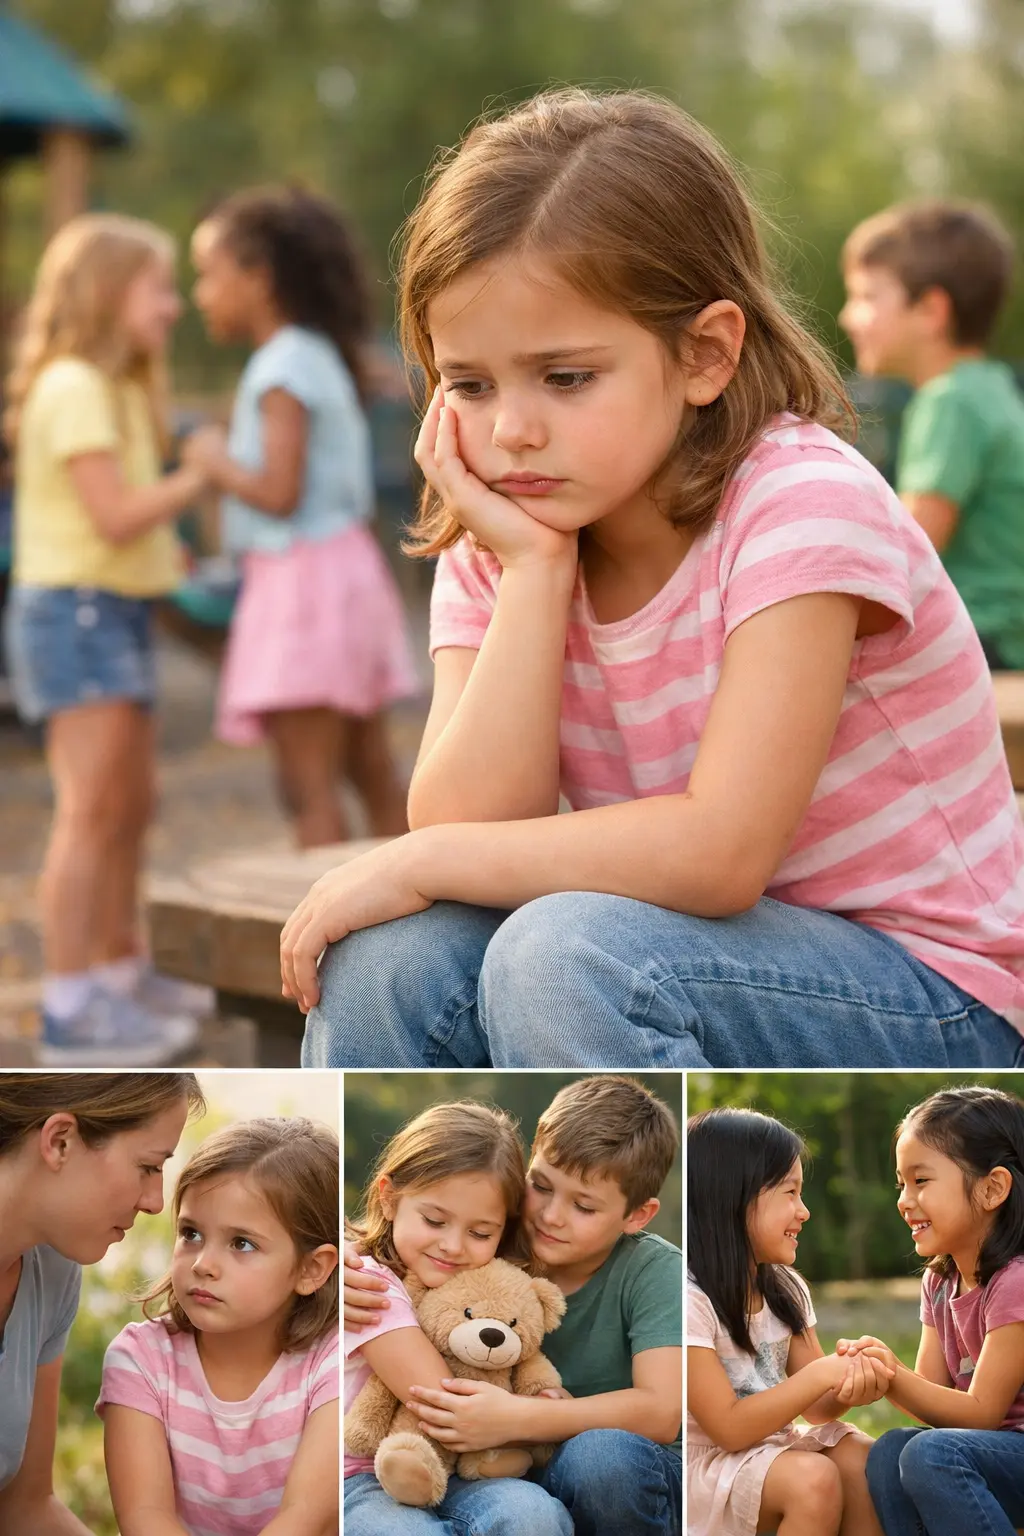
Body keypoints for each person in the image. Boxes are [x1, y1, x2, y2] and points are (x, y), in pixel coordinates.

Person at [281, 87, 1024, 1073]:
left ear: (705, 354)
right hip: (699, 952)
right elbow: (470, 826)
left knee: (565, 955)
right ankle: (396, 1215)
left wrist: (413, 856)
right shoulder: (508, 527)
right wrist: (539, 573)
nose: (511, 430)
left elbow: (720, 852)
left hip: (938, 994)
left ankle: (660, 1211)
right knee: (387, 959)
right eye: (469, 383)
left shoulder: (798, 504)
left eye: (567, 377)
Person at [3, 213, 217, 1066]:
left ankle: (119, 973)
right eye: (157, 288)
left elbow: (131, 529)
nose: (172, 306)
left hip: (114, 608)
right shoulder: (72, 388)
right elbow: (114, 513)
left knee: (131, 807)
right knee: (91, 813)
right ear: (105, 292)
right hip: (72, 615)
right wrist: (196, 478)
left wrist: (173, 549)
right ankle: (69, 1006)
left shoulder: (122, 388)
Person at [346, 1075, 683, 1535]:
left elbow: (663, 1412)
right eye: (541, 1186)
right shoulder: (485, 1237)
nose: (550, 1215)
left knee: (599, 1459)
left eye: (583, 1207)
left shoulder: (652, 1269)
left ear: (637, 1215)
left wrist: (521, 1419)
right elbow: (403, 1222)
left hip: (620, 1471)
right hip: (472, 1465)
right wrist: (337, 1258)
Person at [187, 185, 418, 848]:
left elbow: (278, 492)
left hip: (302, 587)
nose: (202, 294)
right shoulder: (317, 352)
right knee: (371, 769)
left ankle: (328, 940)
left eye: (210, 274)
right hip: (343, 570)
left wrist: (211, 458)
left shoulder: (280, 366)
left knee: (305, 784)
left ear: (259, 279)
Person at [99, 1115, 340, 1536]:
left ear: (311, 1269)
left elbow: (302, 1520)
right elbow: (145, 1518)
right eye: (191, 1233)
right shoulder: (140, 1360)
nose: (203, 1265)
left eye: (241, 1243)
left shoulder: (333, 1361)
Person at [343, 1098, 571, 1536]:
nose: (453, 1245)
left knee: (533, 1516)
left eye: (480, 1233)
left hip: (470, 1470)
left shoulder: (494, 1284)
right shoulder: (366, 1282)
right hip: (368, 1474)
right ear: (389, 1199)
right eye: (434, 1220)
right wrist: (539, 1420)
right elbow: (441, 1400)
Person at [0, 1071, 204, 1534]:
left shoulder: (51, 1270)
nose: (156, 1202)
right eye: (149, 1166)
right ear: (60, 1142)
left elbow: (23, 1509)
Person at [840, 201, 1024, 672]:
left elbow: (909, 552)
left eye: (865, 297)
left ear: (930, 311)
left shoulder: (951, 402)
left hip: (983, 638)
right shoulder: (988, 386)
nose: (847, 317)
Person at [687, 1107, 889, 1536]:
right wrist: (820, 1375)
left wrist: (850, 1377)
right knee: (813, 1481)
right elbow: (727, 1428)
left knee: (860, 1459)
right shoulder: (688, 1299)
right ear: (732, 1196)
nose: (804, 1211)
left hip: (771, 1448)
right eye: (790, 1192)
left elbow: (818, 1408)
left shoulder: (784, 1289)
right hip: (707, 1463)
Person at [836, 1086, 1024, 1535]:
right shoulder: (938, 1283)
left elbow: (981, 1413)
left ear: (992, 1188)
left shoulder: (1015, 1280)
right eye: (900, 1182)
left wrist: (894, 1376)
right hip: (985, 1453)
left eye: (921, 1180)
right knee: (891, 1449)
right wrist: (881, 1371)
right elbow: (931, 1402)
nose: (904, 1199)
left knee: (930, 1453)